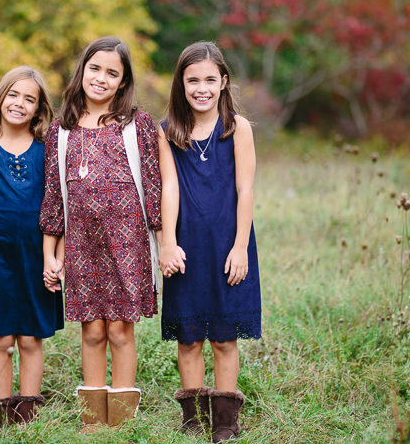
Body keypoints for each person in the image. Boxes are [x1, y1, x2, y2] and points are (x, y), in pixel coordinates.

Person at [40, 36, 162, 432]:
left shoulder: (136, 124)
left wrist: (164, 241)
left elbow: (154, 185)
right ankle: (94, 423)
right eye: (95, 68)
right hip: (82, 245)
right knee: (92, 330)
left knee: (121, 329)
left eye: (113, 73)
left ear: (123, 82)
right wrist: (50, 253)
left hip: (127, 241)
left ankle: (122, 423)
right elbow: (54, 196)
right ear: (82, 71)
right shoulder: (61, 130)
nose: (102, 78)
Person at [157, 41, 261, 442]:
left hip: (227, 245)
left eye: (209, 79)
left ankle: (225, 423)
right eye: (192, 80)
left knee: (223, 335)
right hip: (186, 246)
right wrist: (166, 241)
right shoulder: (167, 132)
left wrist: (239, 246)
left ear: (223, 82)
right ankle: (193, 419)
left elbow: (246, 190)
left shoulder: (238, 129)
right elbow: (168, 188)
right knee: (188, 336)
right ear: (181, 84)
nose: (201, 87)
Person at [0, 66, 64, 428]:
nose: (19, 103)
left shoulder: (47, 149)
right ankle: (0, 413)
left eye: (29, 99)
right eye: (13, 95)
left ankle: (27, 414)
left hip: (37, 257)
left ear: (39, 108)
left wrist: (56, 259)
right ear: (1, 97)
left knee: (31, 337)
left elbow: (58, 209)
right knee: (1, 335)